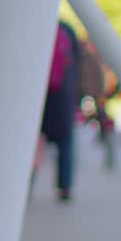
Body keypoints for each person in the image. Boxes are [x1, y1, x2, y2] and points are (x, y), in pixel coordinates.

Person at [39, 21, 81, 202]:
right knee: (65, 143)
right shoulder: (67, 29)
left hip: (40, 94)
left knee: (36, 141)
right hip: (63, 94)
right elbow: (77, 61)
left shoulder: (39, 27)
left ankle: (27, 181)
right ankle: (65, 186)